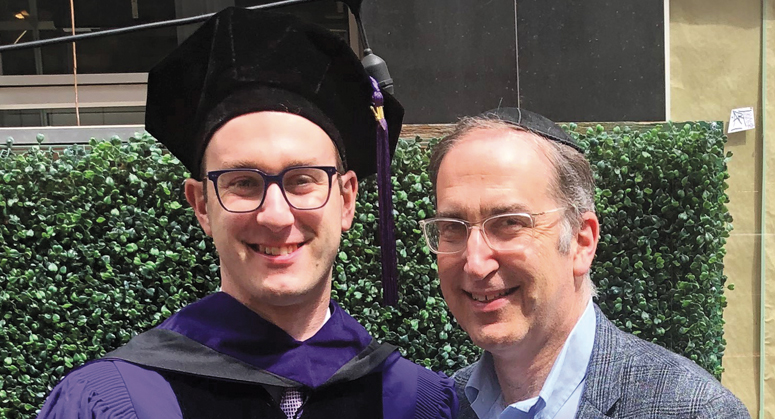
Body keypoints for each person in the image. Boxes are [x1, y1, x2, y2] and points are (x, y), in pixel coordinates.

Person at [37, 7, 457, 419]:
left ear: (346, 199)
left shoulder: (417, 402)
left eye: (302, 180)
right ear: (202, 205)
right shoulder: (111, 401)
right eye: (242, 182)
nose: (275, 216)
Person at [419, 108, 749, 419]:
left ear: (581, 241)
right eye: (451, 227)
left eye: (508, 223)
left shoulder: (693, 410)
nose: (476, 263)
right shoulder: (443, 407)